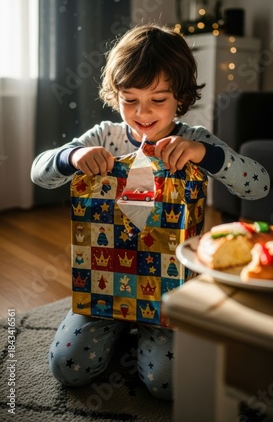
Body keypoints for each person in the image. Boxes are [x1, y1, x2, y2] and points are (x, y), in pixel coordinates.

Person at [31, 23, 270, 400]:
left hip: (169, 292)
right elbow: (39, 174)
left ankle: (141, 338)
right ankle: (120, 331)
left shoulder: (194, 140)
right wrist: (73, 156)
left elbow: (258, 185)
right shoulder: (105, 136)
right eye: (130, 99)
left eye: (158, 100)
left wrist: (205, 154)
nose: (142, 112)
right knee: (68, 367)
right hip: (103, 287)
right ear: (116, 95)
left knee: (167, 384)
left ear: (181, 97)